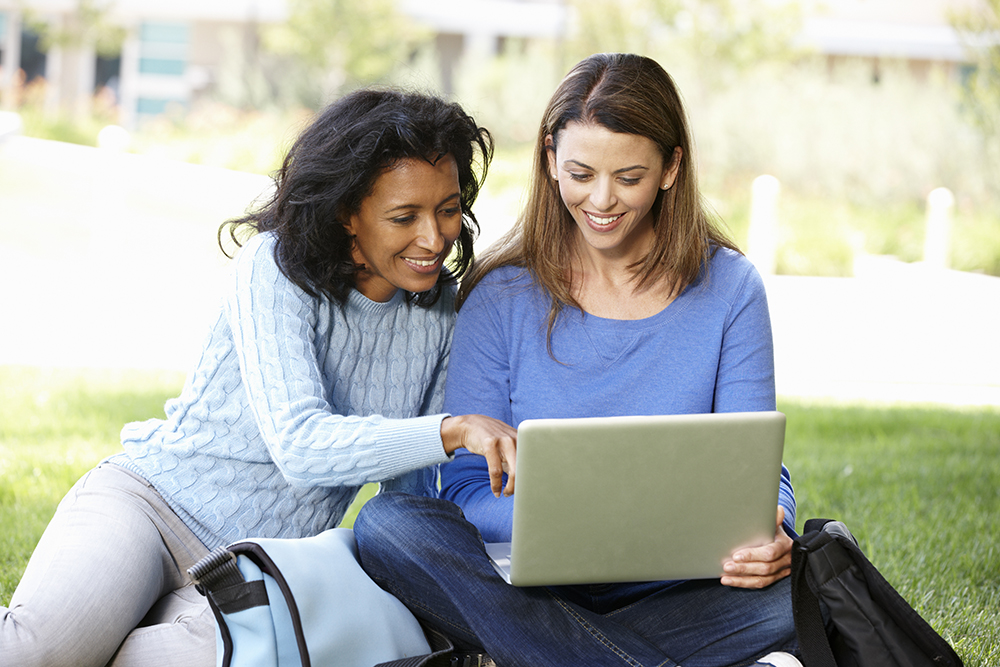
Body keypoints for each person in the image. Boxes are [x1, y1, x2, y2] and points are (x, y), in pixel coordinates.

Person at [0, 89, 518, 667]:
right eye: (404, 217)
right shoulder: (275, 268)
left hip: (259, 565)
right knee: (35, 652)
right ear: (348, 213)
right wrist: (450, 430)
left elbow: (406, 496)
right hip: (150, 507)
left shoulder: (443, 313)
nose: (434, 237)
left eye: (448, 209)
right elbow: (300, 444)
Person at [354, 54, 803, 667]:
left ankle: (531, 652)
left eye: (630, 177)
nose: (602, 200)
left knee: (795, 596)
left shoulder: (730, 289)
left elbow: (755, 467)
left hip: (682, 587)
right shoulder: (500, 294)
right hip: (531, 578)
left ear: (671, 168)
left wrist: (772, 527)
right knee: (389, 527)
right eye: (581, 173)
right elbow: (462, 488)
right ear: (548, 160)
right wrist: (566, 521)